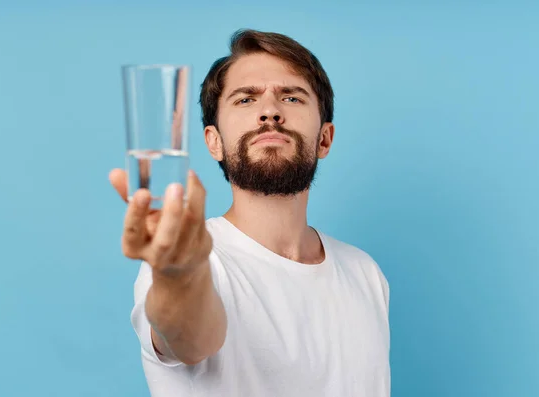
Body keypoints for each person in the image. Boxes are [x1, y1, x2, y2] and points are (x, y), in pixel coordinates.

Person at [109, 29, 391, 397]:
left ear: (325, 138)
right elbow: (188, 338)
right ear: (214, 142)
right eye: (245, 100)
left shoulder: (365, 272)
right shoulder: (192, 262)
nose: (270, 111)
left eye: (291, 96)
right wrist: (178, 275)